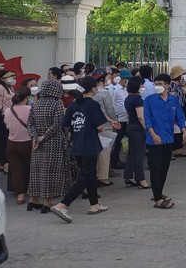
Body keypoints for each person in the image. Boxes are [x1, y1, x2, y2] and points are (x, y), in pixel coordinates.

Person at [50, 77, 109, 223]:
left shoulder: (74, 104)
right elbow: (100, 126)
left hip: (77, 144)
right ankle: (62, 204)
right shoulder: (93, 105)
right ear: (94, 89)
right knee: (85, 176)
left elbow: (66, 124)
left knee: (88, 175)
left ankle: (94, 204)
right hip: (89, 144)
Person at [27, 79, 73, 212]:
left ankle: (33, 200)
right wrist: (44, 137)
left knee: (36, 171)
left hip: (37, 144)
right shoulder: (57, 104)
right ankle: (47, 203)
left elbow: (30, 123)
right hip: (53, 142)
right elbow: (58, 124)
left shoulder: (36, 104)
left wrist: (35, 137)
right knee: (52, 172)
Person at [144, 73, 186, 208]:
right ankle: (157, 199)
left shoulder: (173, 100)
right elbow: (147, 119)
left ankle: (158, 192)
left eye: (161, 84)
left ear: (168, 85)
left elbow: (179, 116)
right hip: (154, 140)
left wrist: (184, 130)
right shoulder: (149, 100)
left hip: (168, 138)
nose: (158, 87)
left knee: (164, 167)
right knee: (155, 167)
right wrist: (152, 134)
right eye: (156, 84)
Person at [5, 87, 33, 205]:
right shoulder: (31, 109)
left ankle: (20, 194)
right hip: (27, 142)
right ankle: (31, 191)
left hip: (12, 143)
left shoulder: (8, 110)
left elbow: (7, 126)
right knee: (30, 168)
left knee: (16, 169)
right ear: (27, 98)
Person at [122, 76, 150, 189]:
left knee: (132, 153)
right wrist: (147, 129)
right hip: (138, 128)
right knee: (139, 154)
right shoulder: (138, 99)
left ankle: (129, 176)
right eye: (141, 85)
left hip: (131, 126)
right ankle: (140, 178)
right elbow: (140, 116)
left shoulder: (128, 98)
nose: (143, 86)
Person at [110, 69, 131, 169]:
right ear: (123, 79)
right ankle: (114, 160)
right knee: (117, 140)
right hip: (118, 118)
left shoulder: (126, 90)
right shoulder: (115, 90)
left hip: (125, 118)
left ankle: (117, 159)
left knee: (121, 139)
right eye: (127, 79)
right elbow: (112, 104)